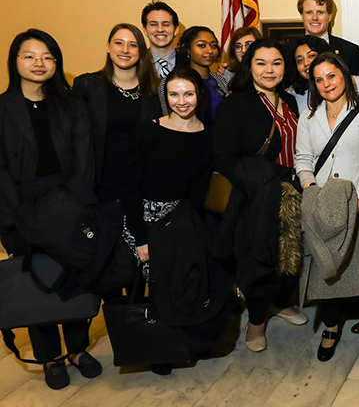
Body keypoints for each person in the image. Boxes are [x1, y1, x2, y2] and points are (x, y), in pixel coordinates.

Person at [0, 29, 102, 389]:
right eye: (29, 56)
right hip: (22, 207)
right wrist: (14, 221)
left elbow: (84, 159)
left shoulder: (72, 104)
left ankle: (77, 348)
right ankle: (50, 357)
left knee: (74, 275)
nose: (38, 63)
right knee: (37, 282)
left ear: (56, 63)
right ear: (15, 62)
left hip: (68, 201)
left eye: (47, 56)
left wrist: (78, 205)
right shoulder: (2, 107)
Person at [123, 66, 230, 374]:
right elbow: (129, 187)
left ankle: (183, 343)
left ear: (199, 95)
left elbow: (198, 188)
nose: (181, 101)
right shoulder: (147, 129)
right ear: (164, 96)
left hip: (181, 217)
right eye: (174, 94)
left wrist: (189, 226)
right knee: (157, 284)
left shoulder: (206, 136)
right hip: (144, 218)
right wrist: (141, 237)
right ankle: (160, 351)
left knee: (184, 280)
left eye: (188, 94)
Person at [294, 52, 359, 373]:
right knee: (330, 270)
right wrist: (310, 189)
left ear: (345, 77)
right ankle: (332, 326)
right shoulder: (308, 118)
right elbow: (302, 158)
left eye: (331, 76)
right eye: (319, 79)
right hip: (323, 207)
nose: (326, 84)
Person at [214, 37, 307, 353]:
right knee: (259, 259)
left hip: (294, 195)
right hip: (257, 197)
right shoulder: (235, 104)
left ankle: (280, 304)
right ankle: (256, 321)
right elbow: (224, 158)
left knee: (290, 257)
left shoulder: (291, 101)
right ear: (248, 66)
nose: (270, 70)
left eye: (277, 62)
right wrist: (265, 179)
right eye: (261, 62)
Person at [73, 24, 162, 208]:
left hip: (141, 184)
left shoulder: (154, 91)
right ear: (108, 47)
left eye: (133, 45)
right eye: (119, 43)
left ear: (141, 51)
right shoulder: (87, 85)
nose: (125, 50)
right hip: (99, 185)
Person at [285, 0, 359, 81]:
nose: (315, 17)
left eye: (320, 12)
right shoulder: (287, 51)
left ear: (330, 16)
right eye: (309, 12)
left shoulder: (350, 52)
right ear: (302, 16)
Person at [159, 26, 228, 125]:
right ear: (187, 49)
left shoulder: (220, 80)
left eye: (213, 46)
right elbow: (167, 118)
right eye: (202, 45)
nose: (209, 50)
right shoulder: (171, 81)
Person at [141, 0, 187, 78]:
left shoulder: (190, 62)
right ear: (145, 30)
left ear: (176, 29)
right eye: (153, 24)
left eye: (166, 24)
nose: (160, 29)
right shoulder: (137, 63)